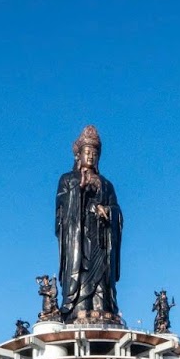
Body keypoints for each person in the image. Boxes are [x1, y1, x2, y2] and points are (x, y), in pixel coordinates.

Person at [55, 125, 123, 322]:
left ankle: (103, 308)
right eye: (87, 152)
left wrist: (108, 212)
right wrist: (79, 189)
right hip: (79, 237)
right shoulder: (68, 180)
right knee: (82, 274)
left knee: (102, 276)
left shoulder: (107, 184)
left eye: (95, 153)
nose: (91, 156)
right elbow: (61, 210)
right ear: (79, 155)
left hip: (101, 239)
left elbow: (117, 211)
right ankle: (78, 308)